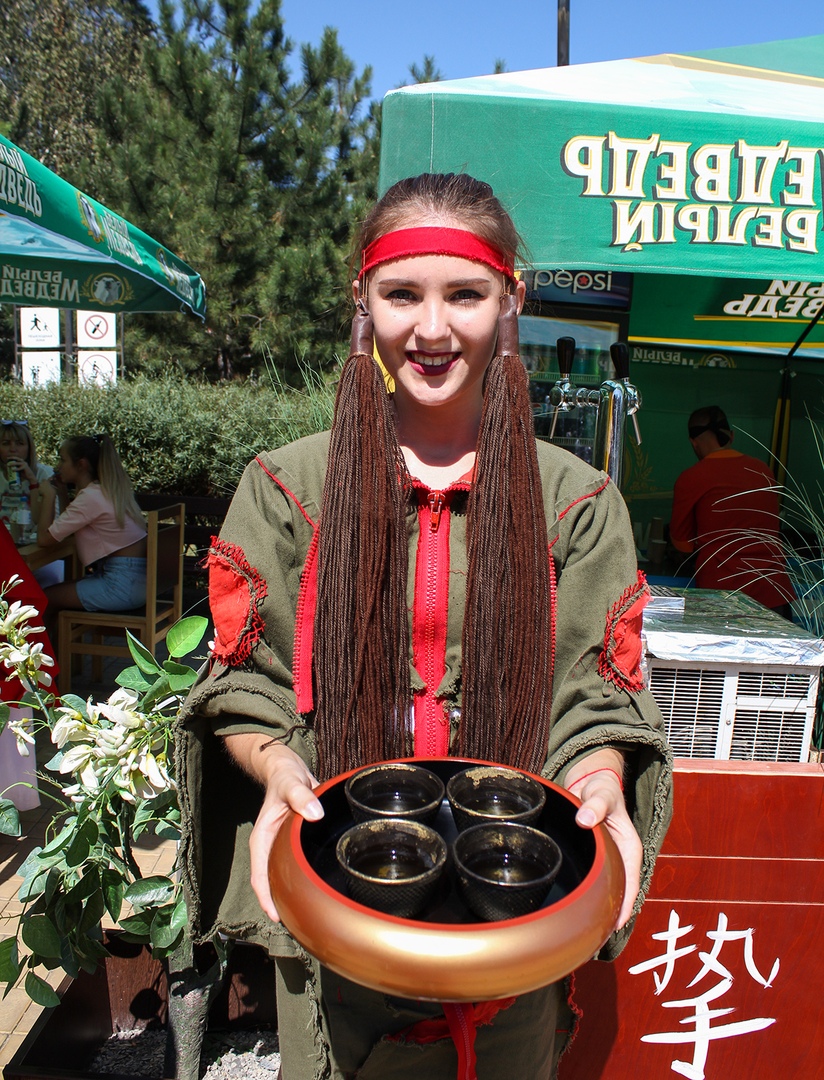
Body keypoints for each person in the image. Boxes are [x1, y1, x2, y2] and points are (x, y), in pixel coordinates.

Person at [178, 173, 672, 1079]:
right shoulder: (288, 489)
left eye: (466, 295)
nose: (433, 329)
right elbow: (245, 683)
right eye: (402, 294)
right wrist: (278, 767)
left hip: (510, 915)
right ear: (362, 300)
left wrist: (600, 776)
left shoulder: (577, 503)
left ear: (511, 301)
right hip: (338, 905)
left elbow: (595, 696)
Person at [669, 405, 794, 616]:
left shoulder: (692, 477)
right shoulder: (763, 471)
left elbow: (682, 543)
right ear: (731, 436)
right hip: (774, 594)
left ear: (694, 442)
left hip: (721, 598)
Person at [36, 434, 148, 637]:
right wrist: (61, 493)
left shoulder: (90, 497)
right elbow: (70, 525)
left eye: (62, 459)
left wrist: (49, 496)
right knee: (53, 593)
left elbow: (43, 540)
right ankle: (56, 655)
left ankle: (42, 657)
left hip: (120, 586)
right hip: (136, 582)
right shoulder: (104, 490)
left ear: (81, 464)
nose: (58, 466)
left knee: (44, 599)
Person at [1, 420, 54, 551]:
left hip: (35, 547)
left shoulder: (44, 474)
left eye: (20, 443)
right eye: (6, 443)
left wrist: (32, 481)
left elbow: (50, 523)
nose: (13, 449)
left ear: (29, 448)